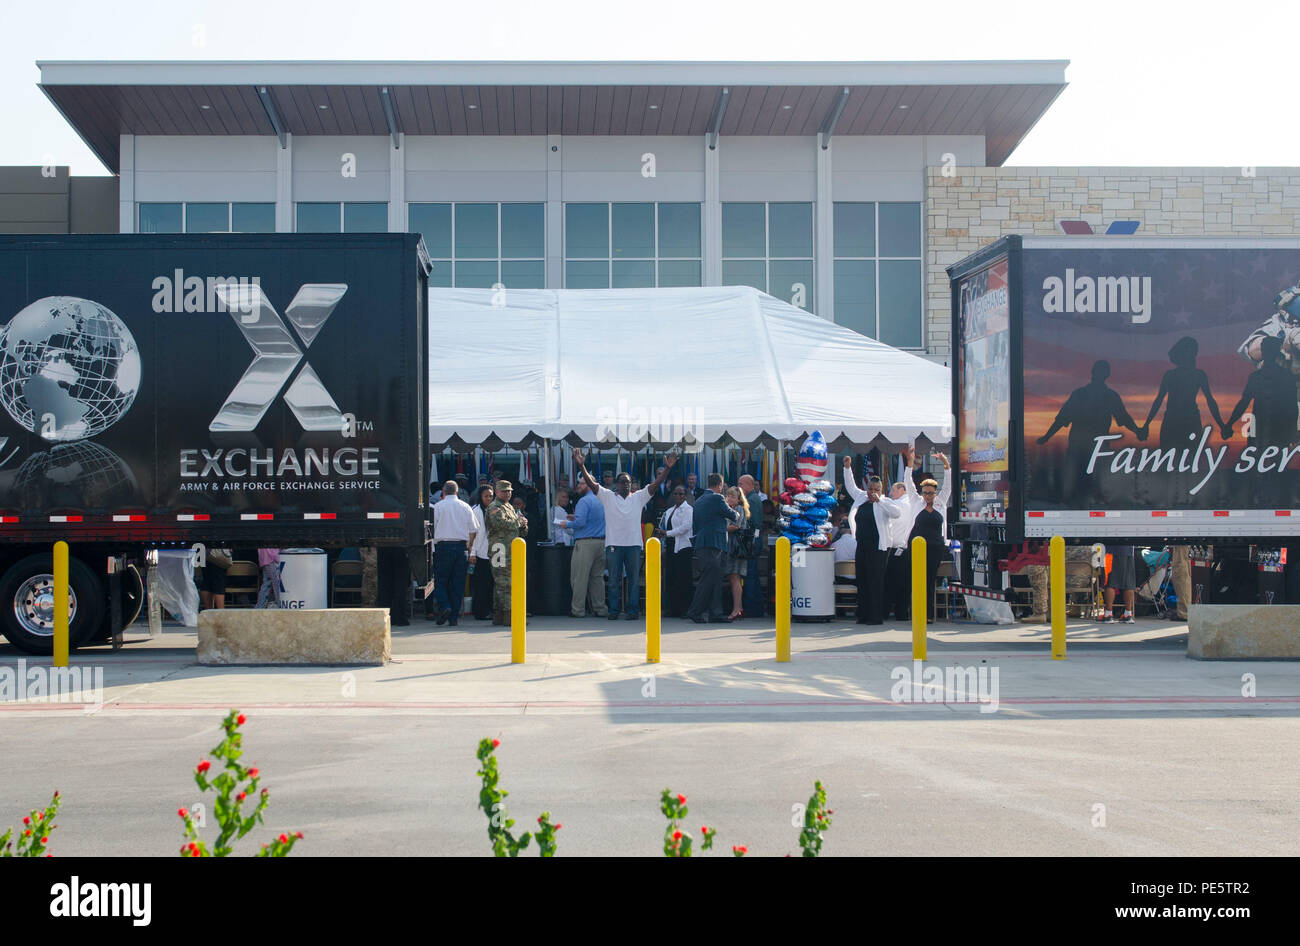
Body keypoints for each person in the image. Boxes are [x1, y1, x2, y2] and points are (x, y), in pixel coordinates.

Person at [574, 448, 677, 621]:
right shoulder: (608, 497)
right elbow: (592, 485)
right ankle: (614, 610)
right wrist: (581, 466)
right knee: (614, 580)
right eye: (622, 482)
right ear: (616, 484)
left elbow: (655, 485)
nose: (626, 484)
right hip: (613, 545)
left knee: (633, 580)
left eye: (628, 482)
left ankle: (632, 610)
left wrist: (667, 469)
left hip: (634, 546)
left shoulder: (638, 497)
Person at [1037, 360, 1143, 502]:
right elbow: (1062, 419)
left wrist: (1137, 430)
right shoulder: (1085, 395)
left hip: (1094, 447)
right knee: (1080, 481)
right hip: (1082, 446)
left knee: (1092, 481)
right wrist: (1046, 437)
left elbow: (1124, 418)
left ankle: (1087, 500)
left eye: (1102, 371)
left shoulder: (1106, 396)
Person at [1140, 337, 1227, 449]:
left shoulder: (1197, 375)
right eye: (1189, 351)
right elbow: (1158, 400)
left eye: (1193, 351)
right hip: (1176, 421)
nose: (1192, 354)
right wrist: (1147, 424)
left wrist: (1221, 425)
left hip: (1186, 420)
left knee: (1184, 458)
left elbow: (1210, 401)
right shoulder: (1174, 375)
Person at [685, 473, 743, 624]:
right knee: (708, 580)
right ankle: (695, 611)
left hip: (702, 543)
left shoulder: (699, 500)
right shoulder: (717, 498)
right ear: (719, 485)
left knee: (715, 579)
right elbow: (732, 515)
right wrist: (736, 511)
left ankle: (715, 613)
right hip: (714, 544)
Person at [847, 472, 903, 625]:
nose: (873, 492)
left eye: (876, 489)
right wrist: (847, 468)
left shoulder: (886, 502)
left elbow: (896, 513)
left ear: (881, 490)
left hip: (879, 547)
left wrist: (880, 501)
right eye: (870, 489)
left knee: (875, 581)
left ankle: (875, 615)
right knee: (863, 579)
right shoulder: (861, 499)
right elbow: (850, 486)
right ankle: (863, 614)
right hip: (862, 544)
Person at [430, 480, 480, 627]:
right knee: (458, 584)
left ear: (443, 492)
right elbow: (474, 529)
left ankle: (445, 606)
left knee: (440, 581)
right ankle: (453, 619)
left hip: (443, 547)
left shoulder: (438, 507)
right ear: (457, 492)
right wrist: (469, 546)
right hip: (461, 548)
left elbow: (432, 529)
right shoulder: (465, 507)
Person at [485, 480, 527, 626]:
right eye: (504, 491)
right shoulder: (494, 507)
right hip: (499, 550)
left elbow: (516, 528)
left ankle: (501, 615)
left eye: (509, 491)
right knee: (503, 583)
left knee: (507, 583)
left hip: (511, 550)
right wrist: (519, 522)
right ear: (496, 492)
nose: (507, 493)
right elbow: (500, 523)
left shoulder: (508, 507)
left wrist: (523, 524)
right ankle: (507, 615)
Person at [908, 476, 947, 623]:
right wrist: (909, 465)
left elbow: (948, 486)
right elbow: (909, 484)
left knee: (930, 580)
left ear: (935, 493)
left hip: (935, 547)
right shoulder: (917, 502)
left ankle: (928, 615)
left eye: (930, 493)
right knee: (917, 580)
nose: (927, 496)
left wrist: (946, 466)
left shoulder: (940, 503)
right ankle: (916, 612)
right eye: (924, 493)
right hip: (917, 547)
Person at [568, 477, 608, 618]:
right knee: (597, 578)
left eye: (582, 483)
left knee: (579, 578)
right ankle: (600, 608)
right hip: (601, 542)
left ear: (590, 485)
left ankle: (578, 610)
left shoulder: (583, 501)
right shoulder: (603, 500)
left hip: (585, 543)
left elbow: (580, 523)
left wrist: (566, 523)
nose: (578, 485)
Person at [658, 484, 695, 617]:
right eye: (676, 494)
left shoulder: (688, 509)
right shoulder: (669, 510)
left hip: (683, 547)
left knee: (683, 579)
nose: (678, 496)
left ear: (685, 496)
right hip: (671, 547)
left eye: (681, 494)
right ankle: (672, 609)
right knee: (671, 577)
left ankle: (685, 609)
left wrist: (667, 533)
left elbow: (685, 527)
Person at [883, 475, 913, 621]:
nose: (890, 493)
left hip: (897, 548)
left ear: (902, 489)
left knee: (890, 583)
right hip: (905, 549)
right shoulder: (911, 503)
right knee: (904, 584)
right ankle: (902, 613)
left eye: (893, 490)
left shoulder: (901, 504)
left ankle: (886, 611)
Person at [722, 486, 753, 621]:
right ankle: (738, 608)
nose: (729, 498)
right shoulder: (729, 509)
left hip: (736, 548)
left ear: (739, 499)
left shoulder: (739, 509)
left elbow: (735, 526)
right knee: (733, 578)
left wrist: (721, 528)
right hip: (731, 548)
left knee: (735, 578)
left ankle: (736, 609)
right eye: (728, 496)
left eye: (732, 496)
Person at [737, 474, 765, 618]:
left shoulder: (751, 500)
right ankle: (756, 606)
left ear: (750, 485)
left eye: (741, 484)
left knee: (750, 574)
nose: (739, 487)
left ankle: (753, 607)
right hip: (754, 538)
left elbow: (750, 522)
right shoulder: (754, 498)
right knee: (751, 574)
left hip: (751, 540)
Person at [470, 485, 495, 621]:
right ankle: (480, 612)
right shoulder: (475, 511)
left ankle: (489, 610)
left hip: (493, 552)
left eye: (491, 496)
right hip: (479, 553)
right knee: (481, 585)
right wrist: (472, 553)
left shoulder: (494, 510)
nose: (489, 499)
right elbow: (472, 534)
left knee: (491, 584)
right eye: (486, 496)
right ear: (480, 496)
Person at [1101, 544, 1137, 623]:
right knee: (1129, 583)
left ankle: (1108, 614)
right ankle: (1128, 614)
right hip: (1129, 551)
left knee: (1110, 582)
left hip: (1111, 550)